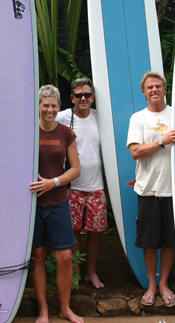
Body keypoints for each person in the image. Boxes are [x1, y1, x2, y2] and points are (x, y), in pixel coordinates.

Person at [126, 71, 175, 307]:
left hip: (174, 190)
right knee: (150, 241)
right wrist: (162, 141)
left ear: (165, 89)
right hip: (148, 190)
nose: (154, 90)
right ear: (144, 92)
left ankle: (164, 284)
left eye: (158, 86)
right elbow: (135, 152)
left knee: (170, 240)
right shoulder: (138, 118)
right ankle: (151, 285)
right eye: (149, 87)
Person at [29, 85, 84, 323]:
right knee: (37, 257)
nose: (49, 109)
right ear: (39, 106)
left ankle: (65, 309)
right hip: (31, 205)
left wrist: (54, 182)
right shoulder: (27, 131)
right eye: (45, 105)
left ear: (59, 106)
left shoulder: (66, 133)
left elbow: (76, 169)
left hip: (58, 202)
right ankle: (43, 310)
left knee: (64, 258)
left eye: (53, 105)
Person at [56, 78, 106, 289]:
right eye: (79, 95)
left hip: (96, 186)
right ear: (72, 99)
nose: (83, 98)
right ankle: (75, 272)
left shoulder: (101, 118)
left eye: (87, 95)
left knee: (96, 232)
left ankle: (91, 272)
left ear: (93, 97)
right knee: (73, 232)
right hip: (72, 187)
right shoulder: (62, 117)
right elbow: (35, 123)